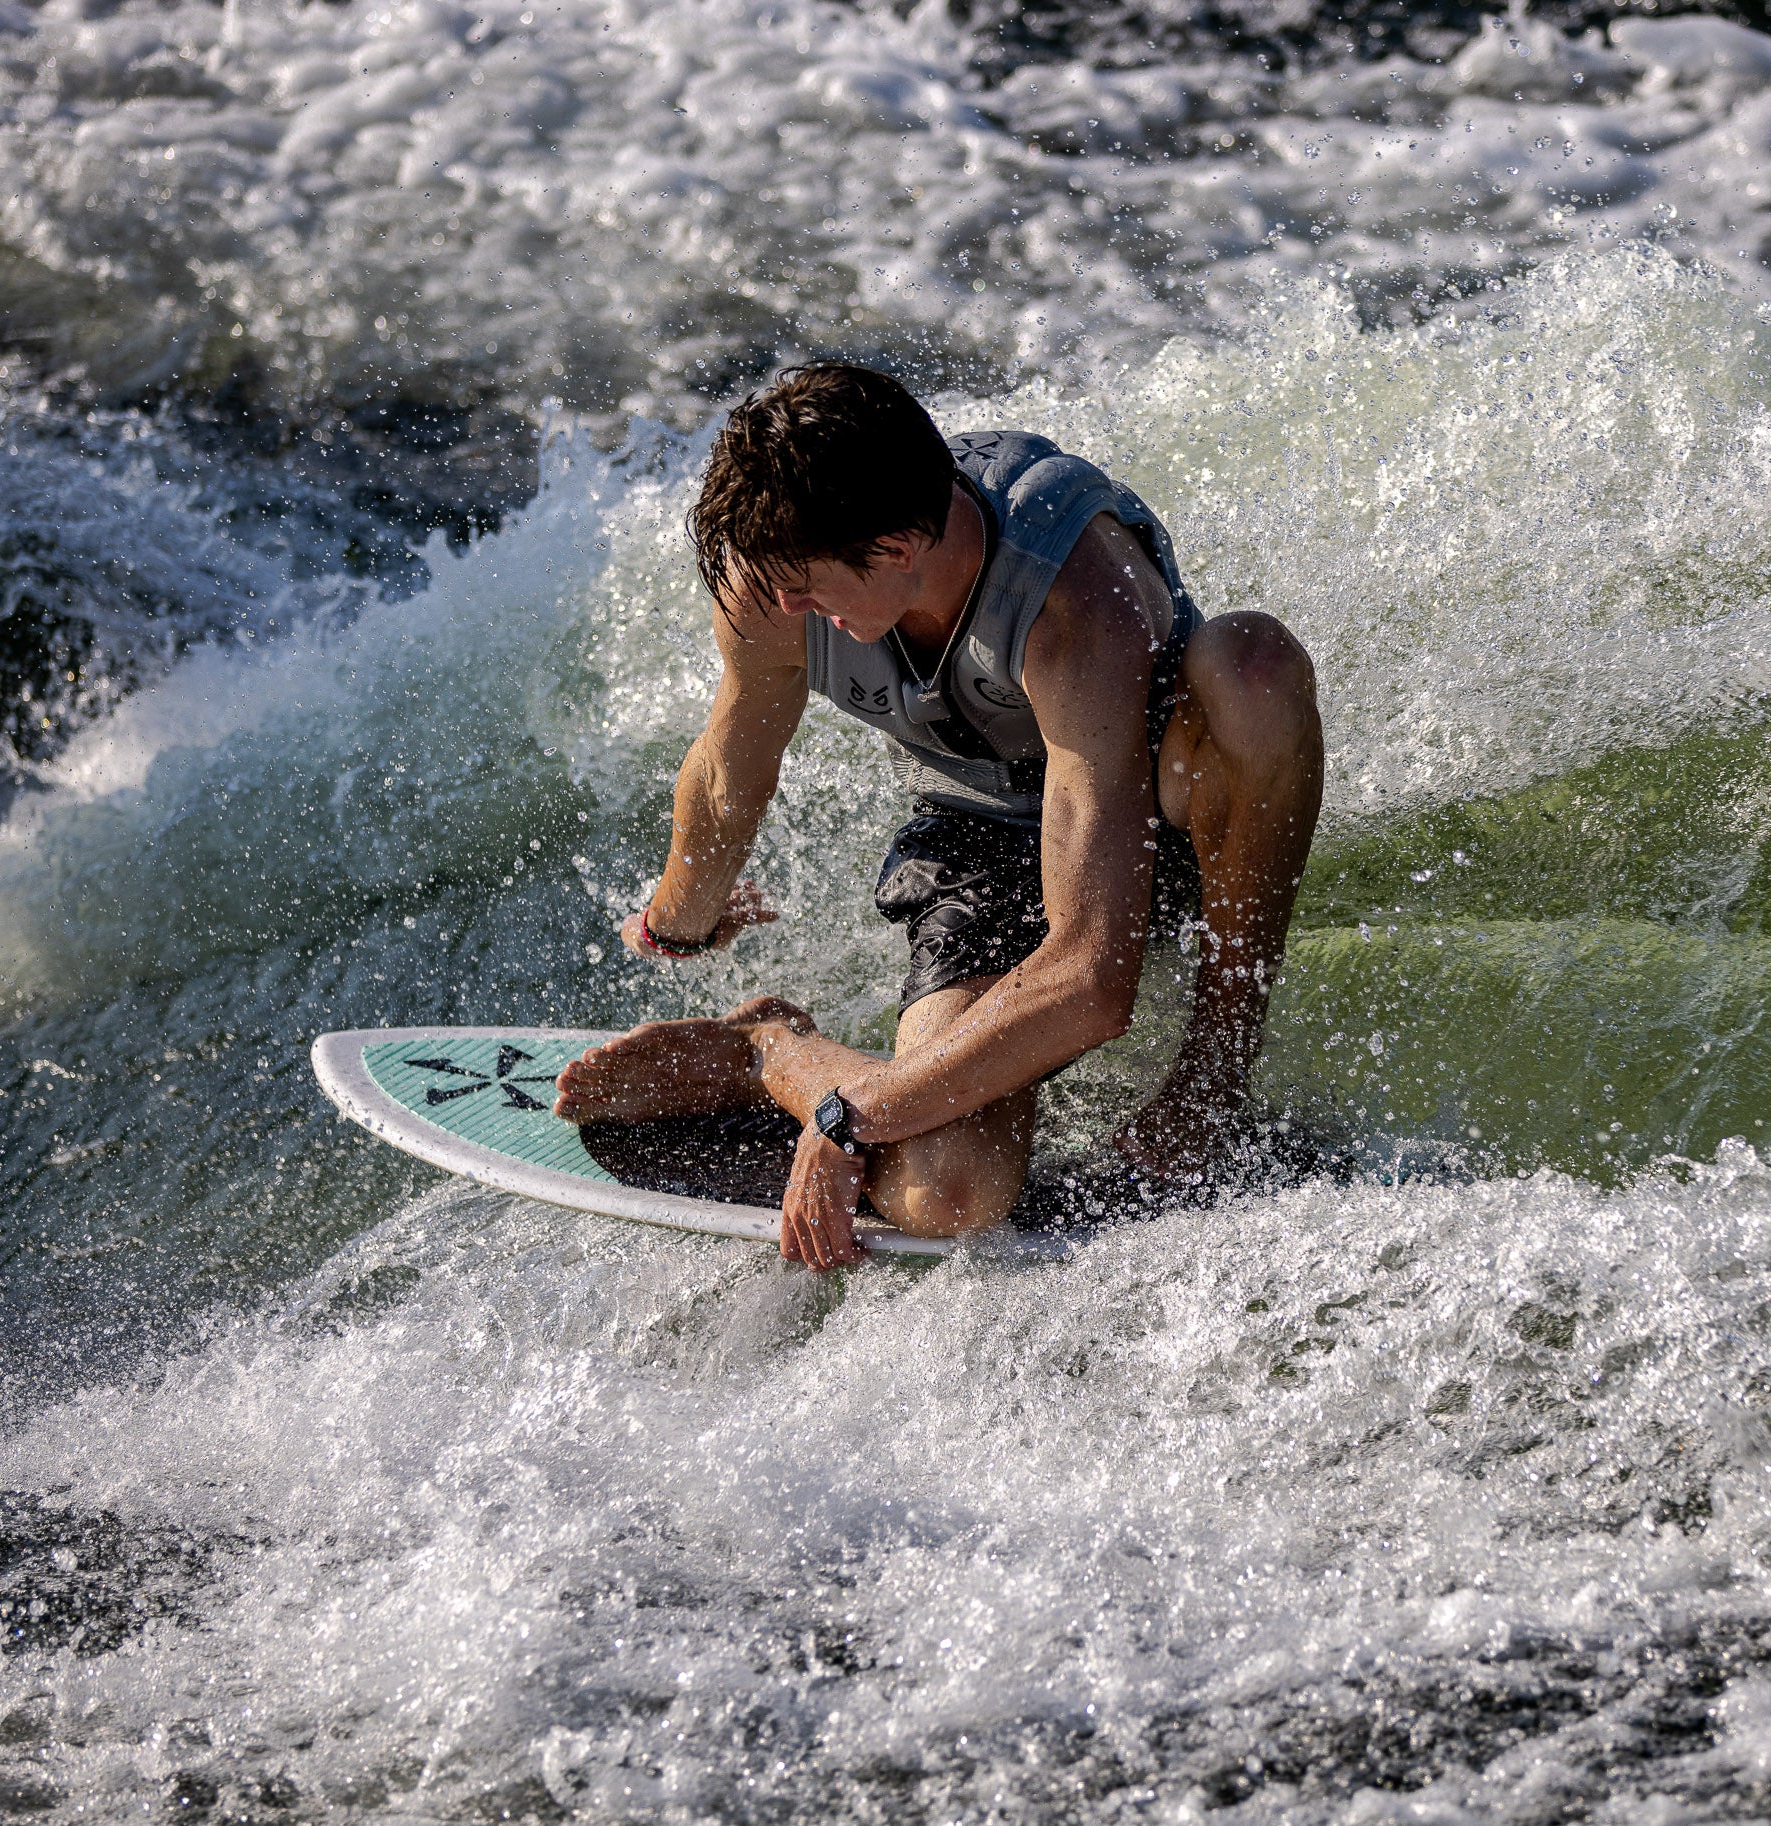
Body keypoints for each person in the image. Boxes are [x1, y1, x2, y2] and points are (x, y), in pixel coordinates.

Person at [553, 363, 1322, 1269]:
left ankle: (1213, 1077)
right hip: (980, 836)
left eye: (805, 589)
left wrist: (848, 1119)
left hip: (1158, 809)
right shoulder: (774, 570)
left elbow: (1091, 979)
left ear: (896, 549)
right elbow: (731, 764)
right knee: (948, 1188)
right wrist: (675, 922)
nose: (784, 613)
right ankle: (764, 1049)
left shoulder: (1075, 597)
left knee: (1250, 666)